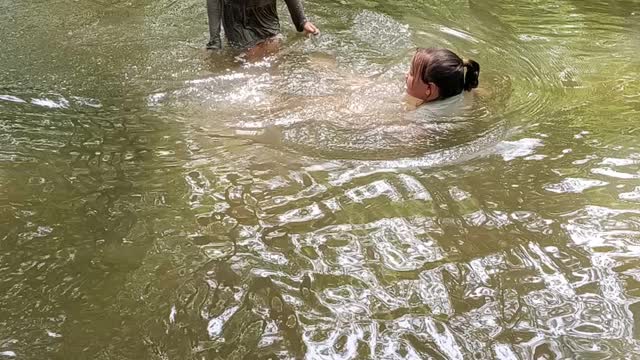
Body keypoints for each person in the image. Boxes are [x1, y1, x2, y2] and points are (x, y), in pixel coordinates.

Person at [206, 0, 320, 53]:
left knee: (274, 49)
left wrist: (302, 21)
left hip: (266, 12)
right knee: (250, 53)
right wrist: (214, 40)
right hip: (237, 14)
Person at [405, 48, 480, 108]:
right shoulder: (465, 88)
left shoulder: (423, 115)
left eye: (412, 73)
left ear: (429, 89)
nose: (406, 75)